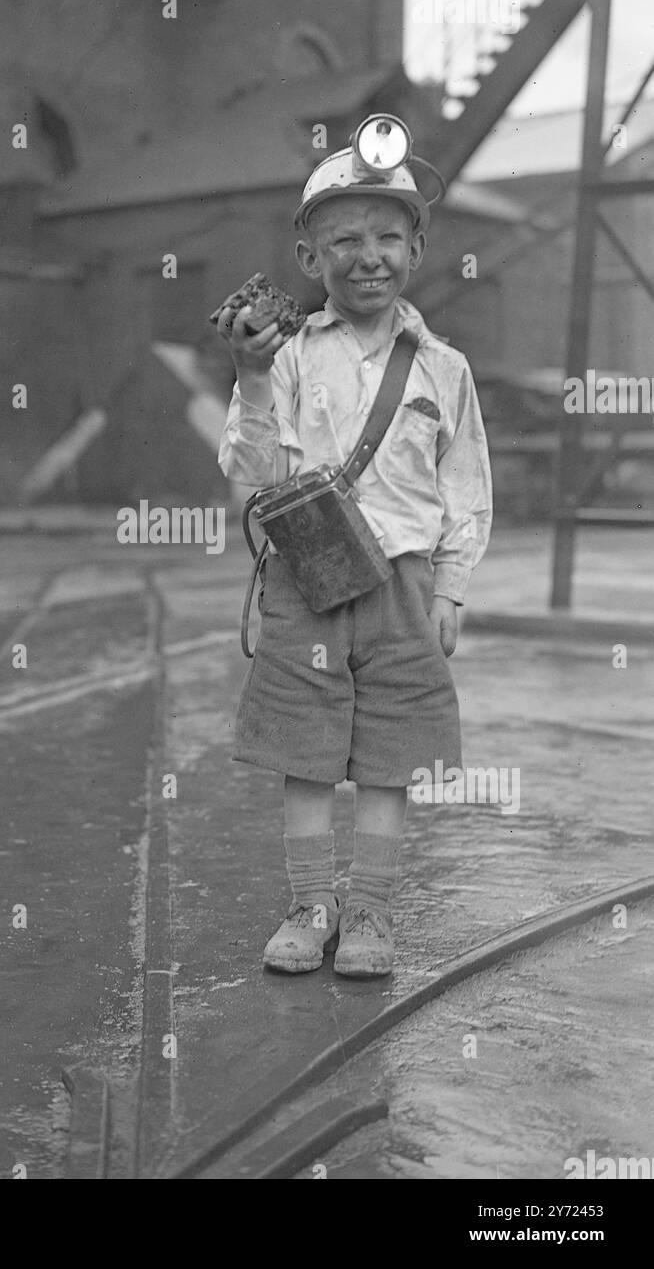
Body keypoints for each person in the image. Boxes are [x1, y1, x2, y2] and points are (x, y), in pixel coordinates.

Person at [216, 123, 493, 977]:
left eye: (386, 237)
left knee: (389, 757)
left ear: (417, 246)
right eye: (342, 240)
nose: (366, 256)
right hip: (307, 581)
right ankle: (309, 906)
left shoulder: (443, 368)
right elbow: (251, 470)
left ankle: (368, 915)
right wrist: (252, 376)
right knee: (304, 751)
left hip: (405, 588)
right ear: (308, 257)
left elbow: (466, 486)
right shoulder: (289, 356)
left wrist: (449, 590)